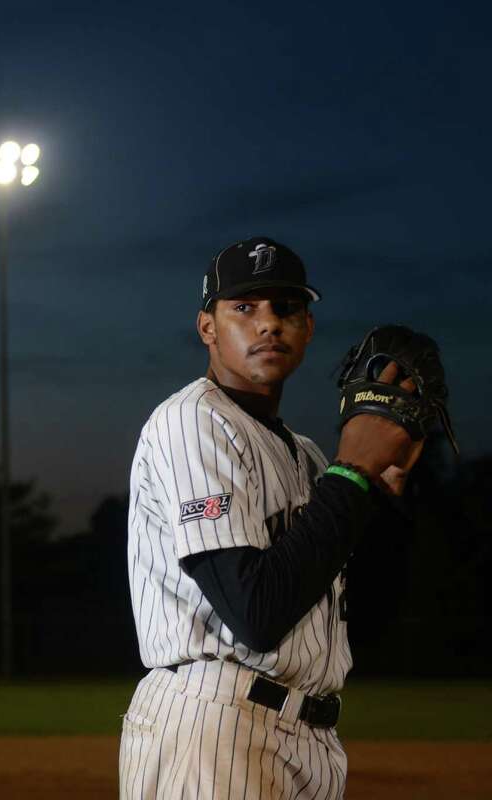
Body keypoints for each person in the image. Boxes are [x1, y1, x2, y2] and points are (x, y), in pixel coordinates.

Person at [117, 236, 422, 799]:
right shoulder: (192, 422)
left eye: (286, 309)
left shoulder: (306, 455)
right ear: (207, 326)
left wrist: (381, 495)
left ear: (308, 328)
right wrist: (352, 468)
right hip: (217, 726)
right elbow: (254, 612)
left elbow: (364, 622)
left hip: (306, 735)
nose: (269, 324)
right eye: (245, 307)